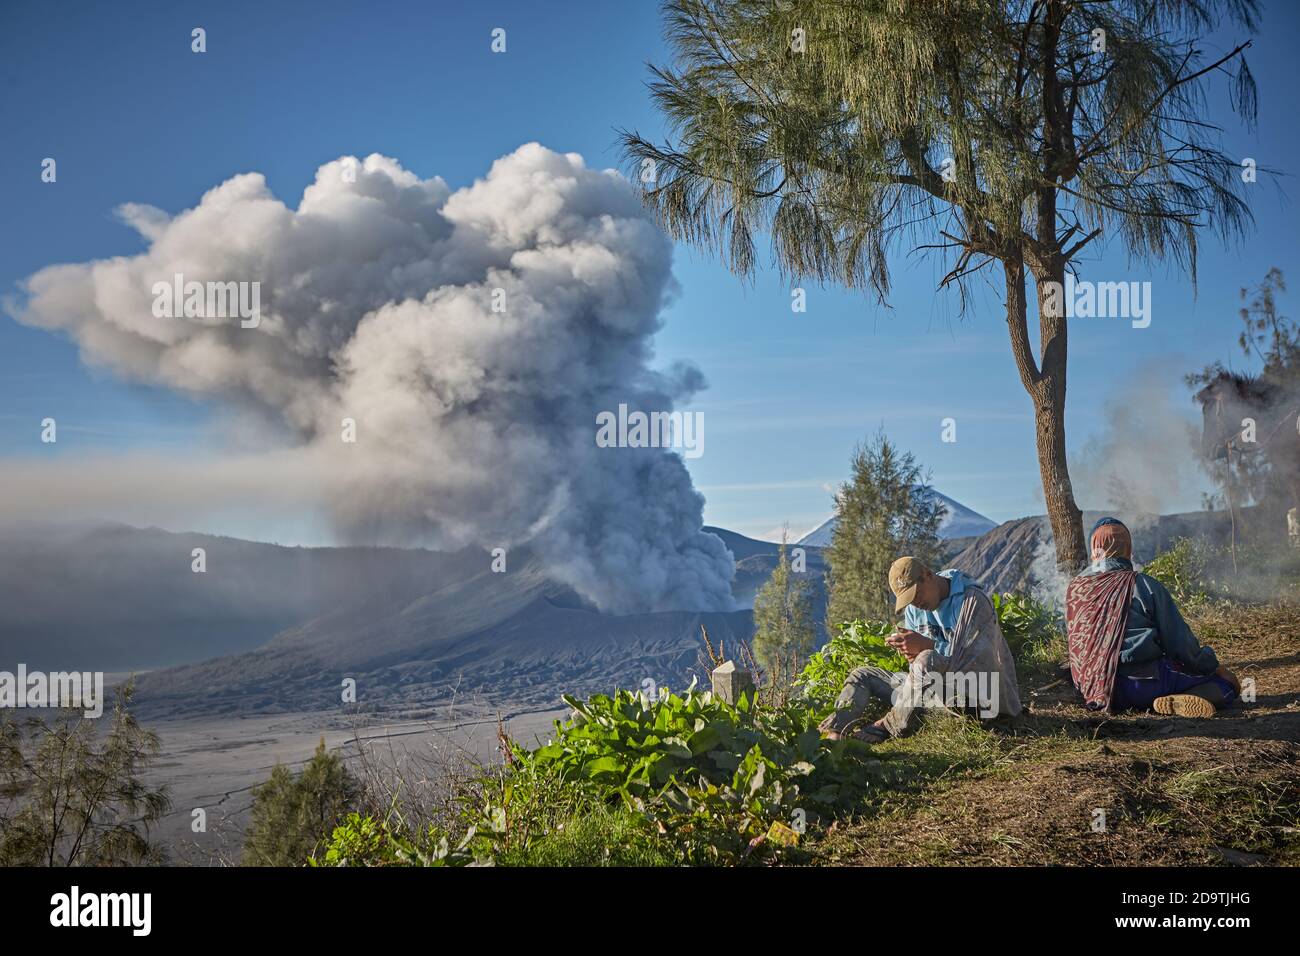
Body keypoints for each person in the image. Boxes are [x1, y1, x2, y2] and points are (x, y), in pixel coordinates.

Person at [818, 557, 1021, 742]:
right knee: (862, 675)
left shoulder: (973, 602)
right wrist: (911, 654)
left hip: (982, 701)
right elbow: (919, 672)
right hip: (934, 694)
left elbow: (975, 664)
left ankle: (889, 726)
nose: (916, 603)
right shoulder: (915, 610)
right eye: (909, 600)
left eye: (916, 594)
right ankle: (836, 733)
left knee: (926, 659)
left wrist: (926, 647)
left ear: (928, 575)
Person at [1066, 517, 1240, 717]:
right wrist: (1214, 667)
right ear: (1128, 551)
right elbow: (1180, 644)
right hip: (1146, 683)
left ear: (1094, 553)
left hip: (1097, 692)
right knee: (1226, 685)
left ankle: (1168, 698)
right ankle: (1180, 699)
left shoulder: (1074, 590)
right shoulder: (1143, 585)